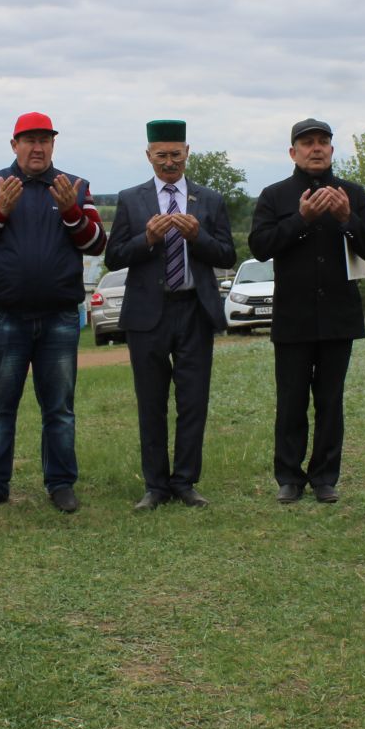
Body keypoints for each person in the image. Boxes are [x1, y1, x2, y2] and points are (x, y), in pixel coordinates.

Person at [0, 112, 106, 512]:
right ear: (14, 145)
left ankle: (60, 484)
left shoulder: (74, 187)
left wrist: (73, 211)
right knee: (0, 406)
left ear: (53, 145)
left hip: (59, 315)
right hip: (5, 316)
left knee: (58, 408)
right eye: (29, 140)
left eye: (44, 140)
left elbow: (96, 244)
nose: (37, 148)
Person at [247, 118, 365, 504]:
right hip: (293, 317)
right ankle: (289, 478)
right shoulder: (275, 196)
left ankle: (325, 477)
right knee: (290, 401)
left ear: (332, 150)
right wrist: (302, 220)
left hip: (339, 317)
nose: (316, 148)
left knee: (330, 401)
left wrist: (346, 218)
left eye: (323, 141)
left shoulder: (353, 194)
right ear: (293, 152)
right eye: (307, 142)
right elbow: (260, 245)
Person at [104, 119, 239, 510]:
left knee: (193, 400)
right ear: (148, 156)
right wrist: (146, 238)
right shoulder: (132, 199)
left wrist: (198, 237)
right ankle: (155, 486)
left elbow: (227, 255)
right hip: (148, 314)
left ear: (187, 153)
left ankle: (185, 482)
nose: (168, 163)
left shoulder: (208, 200)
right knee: (151, 401)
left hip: (194, 310)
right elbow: (114, 257)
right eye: (161, 155)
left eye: (175, 155)